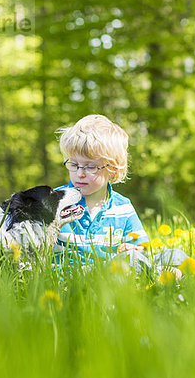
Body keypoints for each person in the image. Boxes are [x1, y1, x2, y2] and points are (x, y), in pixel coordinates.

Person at [54, 114, 185, 278]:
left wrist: (134, 248)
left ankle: (167, 277)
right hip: (76, 277)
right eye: (74, 164)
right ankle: (162, 277)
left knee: (176, 255)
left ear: (113, 169)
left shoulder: (122, 207)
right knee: (130, 260)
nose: (80, 173)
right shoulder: (54, 202)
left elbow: (140, 247)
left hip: (116, 274)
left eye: (91, 167)